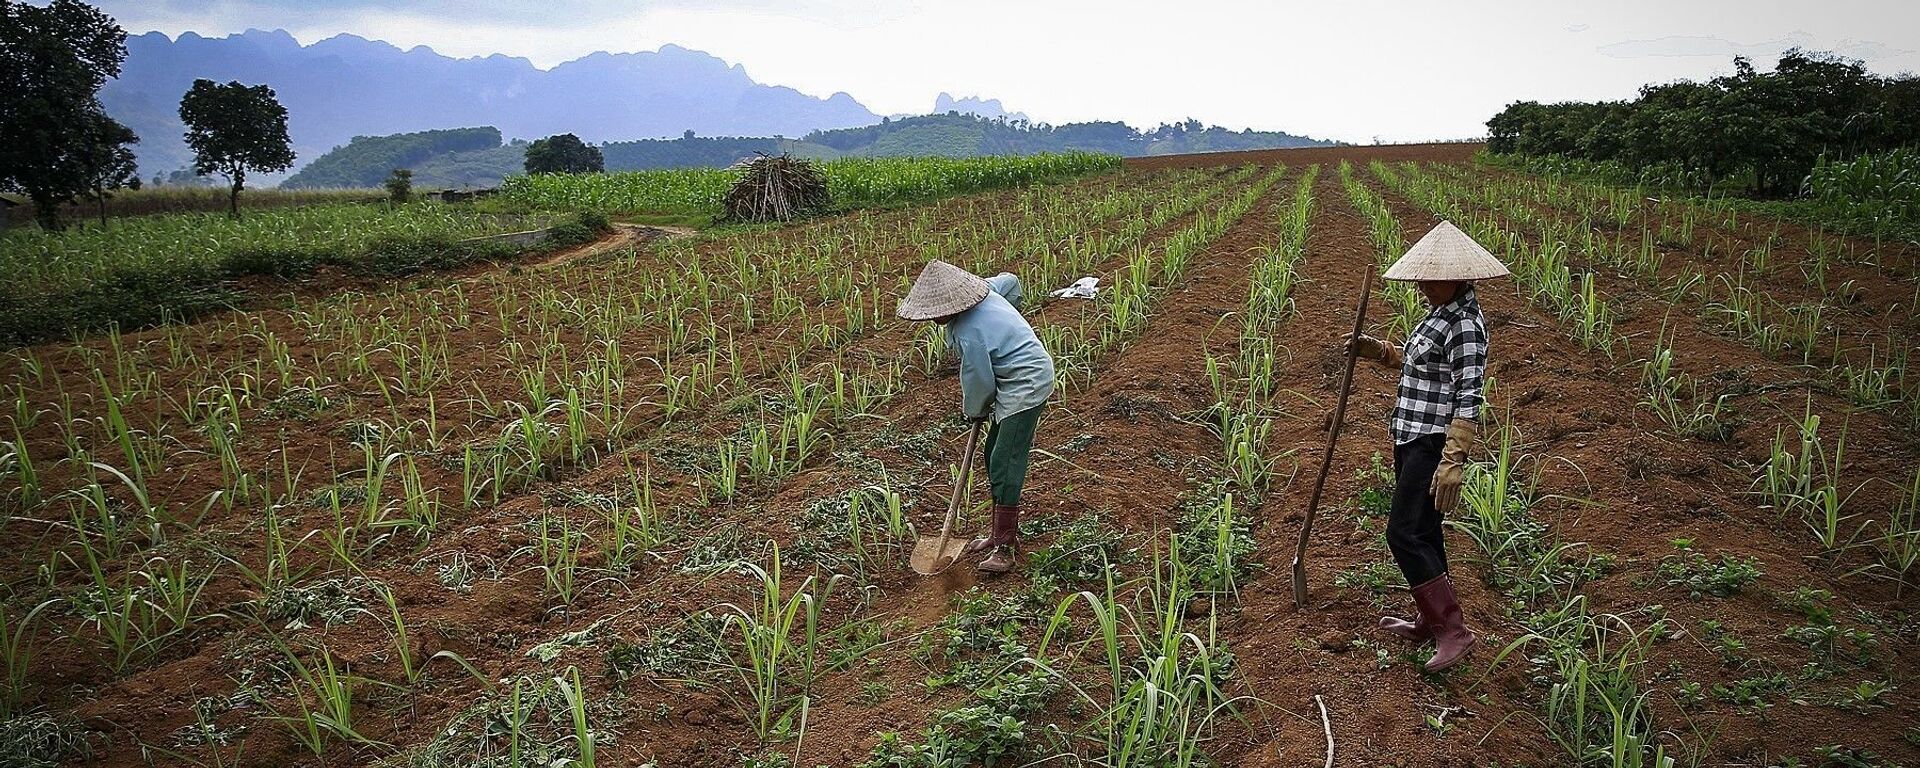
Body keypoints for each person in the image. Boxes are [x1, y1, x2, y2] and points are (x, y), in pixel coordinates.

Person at [1343, 220, 1508, 672]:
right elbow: (1418, 363)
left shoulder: (1467, 326)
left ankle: (1453, 631)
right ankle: (1429, 618)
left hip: (1433, 440)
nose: (1419, 285)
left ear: (1455, 276)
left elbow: (1469, 395)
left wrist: (1452, 460)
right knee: (1426, 531)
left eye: (1428, 277)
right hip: (1410, 433)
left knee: (1403, 531)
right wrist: (1375, 350)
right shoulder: (1440, 313)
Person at [897, 260, 1055, 573]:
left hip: (1027, 383)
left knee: (1005, 462)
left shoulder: (968, 332)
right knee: (991, 452)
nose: (935, 319)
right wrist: (1009, 320)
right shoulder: (986, 290)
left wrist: (975, 411)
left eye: (937, 313)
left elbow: (979, 380)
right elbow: (1011, 281)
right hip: (1014, 381)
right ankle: (997, 533)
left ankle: (1005, 547)